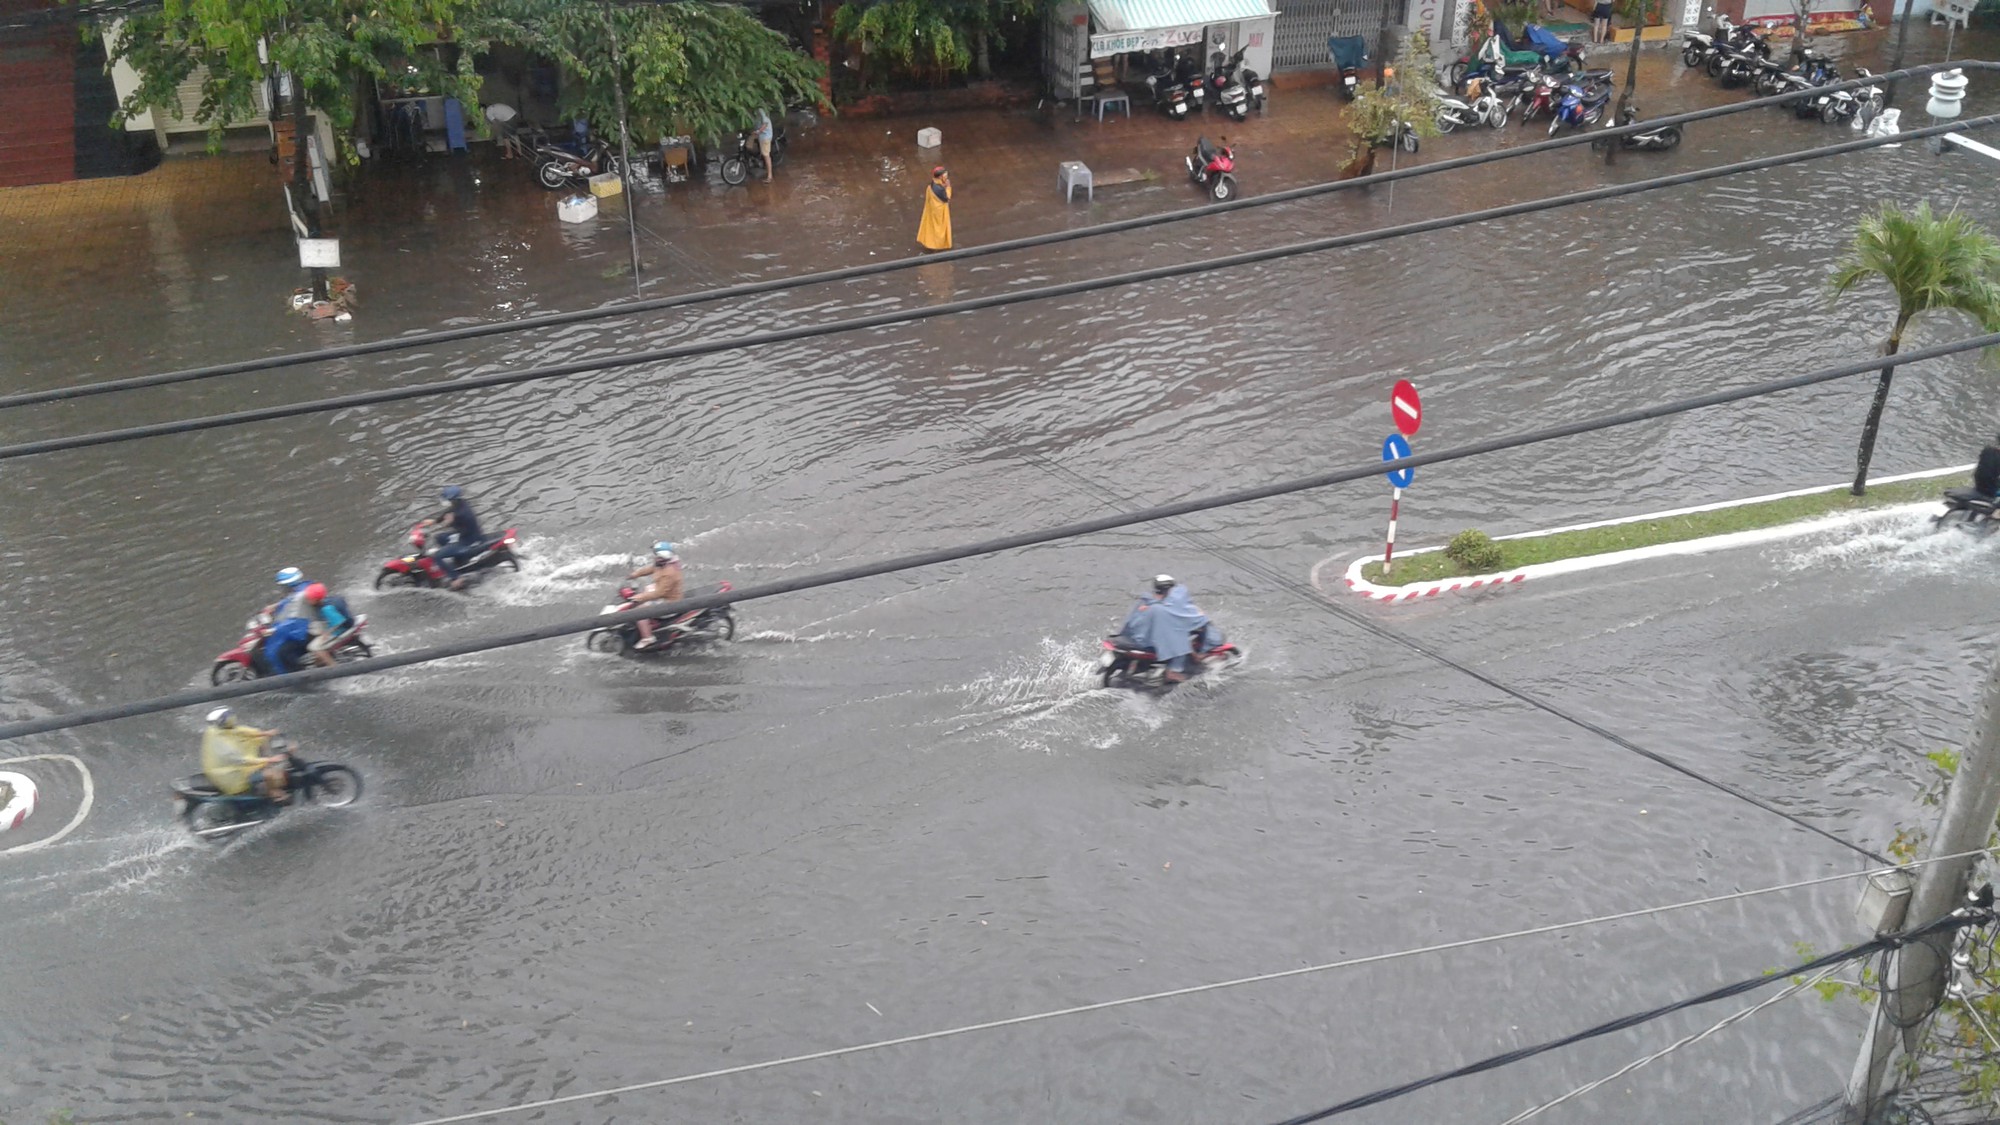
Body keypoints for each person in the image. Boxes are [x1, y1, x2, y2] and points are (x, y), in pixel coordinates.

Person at [1117, 575, 1213, 683]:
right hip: (1148, 641)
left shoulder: (1147, 599)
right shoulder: (1165, 607)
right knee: (1180, 639)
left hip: (1133, 635)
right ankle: (1173, 671)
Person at [200, 707, 290, 803]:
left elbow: (239, 730)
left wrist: (263, 733)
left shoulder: (218, 730)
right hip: (230, 774)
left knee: (261, 739)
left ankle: (267, 772)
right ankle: (273, 793)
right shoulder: (221, 745)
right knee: (270, 775)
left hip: (236, 762)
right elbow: (241, 760)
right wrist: (269, 760)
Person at [420, 485, 487, 591]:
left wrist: (440, 525)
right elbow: (448, 512)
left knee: (437, 556)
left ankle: (456, 579)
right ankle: (454, 560)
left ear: (452, 499)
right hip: (463, 534)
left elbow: (448, 522)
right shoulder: (461, 504)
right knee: (439, 537)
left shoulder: (460, 514)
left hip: (468, 540)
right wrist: (434, 521)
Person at [626, 541, 686, 651]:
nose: (654, 557)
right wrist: (634, 575)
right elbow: (650, 569)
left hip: (670, 603)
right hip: (665, 594)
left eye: (656, 555)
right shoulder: (662, 564)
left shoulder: (669, 573)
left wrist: (640, 597)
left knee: (640, 612)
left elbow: (659, 593)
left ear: (662, 557)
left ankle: (648, 638)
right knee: (647, 589)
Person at [917, 166, 952, 252]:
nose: (946, 178)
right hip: (939, 212)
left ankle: (929, 242)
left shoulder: (932, 185)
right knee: (938, 228)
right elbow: (946, 197)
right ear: (940, 177)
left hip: (932, 210)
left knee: (931, 226)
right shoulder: (939, 189)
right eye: (945, 176)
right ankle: (937, 245)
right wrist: (948, 187)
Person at [752, 107, 775, 183]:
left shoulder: (760, 110)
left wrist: (758, 131)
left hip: (765, 136)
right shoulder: (754, 111)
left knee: (766, 155)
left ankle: (769, 176)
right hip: (760, 136)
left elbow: (765, 123)